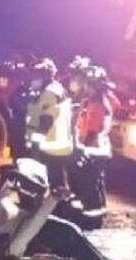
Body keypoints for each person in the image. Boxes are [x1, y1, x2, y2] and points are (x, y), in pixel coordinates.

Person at [68, 64, 116, 229]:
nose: (85, 86)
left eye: (88, 84)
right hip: (90, 150)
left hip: (95, 152)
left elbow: (94, 131)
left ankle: (92, 220)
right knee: (91, 185)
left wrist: (81, 149)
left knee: (89, 186)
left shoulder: (99, 105)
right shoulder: (89, 102)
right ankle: (89, 216)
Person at [23, 58, 75, 200]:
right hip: (58, 144)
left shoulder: (49, 94)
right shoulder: (56, 89)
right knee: (58, 180)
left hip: (51, 145)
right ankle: (61, 205)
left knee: (53, 183)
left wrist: (35, 145)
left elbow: (46, 121)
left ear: (46, 75)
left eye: (37, 75)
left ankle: (57, 208)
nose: (34, 78)